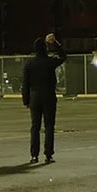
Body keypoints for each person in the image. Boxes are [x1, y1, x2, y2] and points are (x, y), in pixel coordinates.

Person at [22, 32, 66, 164]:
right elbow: (63, 56)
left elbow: (25, 83)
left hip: (35, 96)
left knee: (35, 126)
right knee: (49, 126)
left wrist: (26, 100)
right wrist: (55, 43)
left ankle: (34, 155)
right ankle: (48, 154)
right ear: (45, 48)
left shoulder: (29, 64)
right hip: (48, 96)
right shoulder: (50, 62)